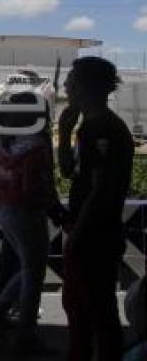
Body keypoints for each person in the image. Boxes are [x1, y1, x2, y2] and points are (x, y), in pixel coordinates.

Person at [58, 56, 133, 361]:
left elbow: (100, 191)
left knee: (95, 311)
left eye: (72, 81)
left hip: (94, 235)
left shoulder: (103, 130)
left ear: (89, 86)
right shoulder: (87, 127)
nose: (66, 87)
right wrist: (63, 132)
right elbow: (68, 172)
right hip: (87, 232)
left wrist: (76, 235)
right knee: (80, 308)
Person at [0, 91, 60, 354]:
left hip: (6, 207)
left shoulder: (8, 137)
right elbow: (36, 185)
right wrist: (51, 209)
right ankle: (25, 334)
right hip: (27, 212)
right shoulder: (37, 145)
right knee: (34, 273)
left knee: (28, 267)